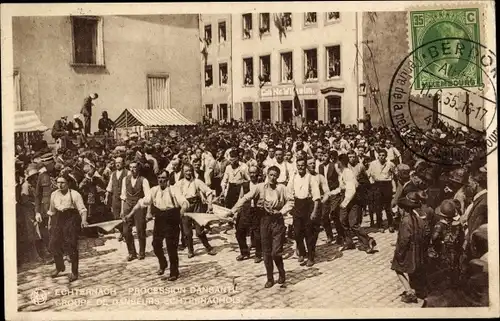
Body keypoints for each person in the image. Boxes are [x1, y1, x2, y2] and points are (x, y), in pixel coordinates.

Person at [230, 165, 293, 288]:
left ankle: (281, 271)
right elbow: (245, 198)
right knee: (266, 253)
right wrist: (233, 210)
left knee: (276, 252)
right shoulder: (260, 187)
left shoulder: (282, 188)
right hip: (264, 221)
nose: (273, 177)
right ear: (266, 175)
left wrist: (281, 211)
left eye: (275, 175)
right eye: (271, 175)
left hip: (278, 222)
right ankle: (270, 278)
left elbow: (291, 201)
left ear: (278, 177)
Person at [128, 170, 188, 281]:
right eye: (159, 178)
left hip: (172, 217)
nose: (161, 180)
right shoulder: (154, 190)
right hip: (160, 218)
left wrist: (183, 209)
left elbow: (183, 201)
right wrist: (130, 215)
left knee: (171, 247)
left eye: (163, 178)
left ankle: (174, 272)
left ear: (168, 179)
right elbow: (142, 202)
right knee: (155, 244)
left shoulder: (173, 189)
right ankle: (163, 263)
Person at [329, 154, 376, 253]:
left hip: (352, 200)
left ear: (341, 163)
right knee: (342, 221)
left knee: (353, 224)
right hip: (346, 198)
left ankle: (367, 241)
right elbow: (342, 188)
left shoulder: (348, 173)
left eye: (337, 163)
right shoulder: (342, 173)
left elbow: (352, 190)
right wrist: (331, 193)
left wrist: (344, 203)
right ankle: (349, 242)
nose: (336, 165)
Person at [47, 173, 89, 282]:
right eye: (58, 182)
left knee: (71, 245)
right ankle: (59, 267)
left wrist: (84, 221)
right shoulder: (54, 195)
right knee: (53, 244)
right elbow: (52, 211)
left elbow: (82, 210)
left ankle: (74, 273)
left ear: (68, 183)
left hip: (72, 218)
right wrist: (50, 223)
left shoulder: (75, 194)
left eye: (63, 183)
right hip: (59, 219)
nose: (60, 185)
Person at [391, 192, 427, 303]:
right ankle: (417, 289)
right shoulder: (419, 219)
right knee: (414, 270)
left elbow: (404, 240)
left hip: (408, 251)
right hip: (418, 249)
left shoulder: (406, 221)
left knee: (397, 268)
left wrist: (399, 253)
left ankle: (409, 292)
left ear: (404, 209)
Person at [176, 163, 216, 258]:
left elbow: (209, 192)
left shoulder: (197, 182)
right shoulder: (179, 184)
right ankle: (190, 250)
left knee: (199, 231)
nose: (188, 173)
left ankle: (208, 247)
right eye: (186, 171)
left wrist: (210, 204)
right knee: (187, 232)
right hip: (185, 207)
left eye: (190, 170)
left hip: (197, 206)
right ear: (183, 172)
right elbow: (175, 196)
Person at [287, 157, 321, 267]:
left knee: (309, 234)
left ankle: (311, 257)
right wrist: (291, 207)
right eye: (299, 165)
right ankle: (301, 253)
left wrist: (314, 212)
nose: (300, 167)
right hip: (297, 206)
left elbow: (316, 197)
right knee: (297, 233)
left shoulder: (311, 178)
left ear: (305, 166)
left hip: (307, 206)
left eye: (302, 165)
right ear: (296, 166)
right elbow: (289, 192)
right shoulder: (293, 177)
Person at [121, 161, 151, 261]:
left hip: (139, 207)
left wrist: (148, 212)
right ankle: (131, 253)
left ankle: (142, 252)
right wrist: (122, 209)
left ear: (138, 169)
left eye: (134, 167)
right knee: (125, 231)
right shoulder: (125, 179)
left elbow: (148, 197)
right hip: (127, 205)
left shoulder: (144, 180)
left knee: (140, 230)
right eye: (130, 167)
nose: (132, 170)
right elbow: (123, 196)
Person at [234, 165, 263, 262]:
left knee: (257, 234)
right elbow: (241, 198)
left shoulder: (262, 184)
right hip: (246, 211)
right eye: (251, 173)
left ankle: (258, 254)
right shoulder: (245, 185)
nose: (252, 175)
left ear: (258, 173)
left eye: (254, 172)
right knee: (239, 233)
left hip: (257, 212)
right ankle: (244, 252)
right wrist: (236, 211)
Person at [367, 148, 397, 232]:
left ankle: (391, 224)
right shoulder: (373, 164)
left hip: (387, 185)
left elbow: (395, 174)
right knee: (378, 206)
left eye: (383, 155)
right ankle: (380, 225)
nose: (381, 157)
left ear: (386, 156)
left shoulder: (390, 164)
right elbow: (368, 174)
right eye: (380, 155)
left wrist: (394, 187)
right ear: (377, 156)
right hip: (377, 185)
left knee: (388, 206)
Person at [105, 157, 129, 240]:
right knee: (116, 217)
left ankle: (126, 234)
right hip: (115, 198)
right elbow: (109, 186)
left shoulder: (128, 173)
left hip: (125, 198)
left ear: (123, 163)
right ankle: (122, 231)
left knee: (124, 216)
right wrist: (107, 196)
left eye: (119, 162)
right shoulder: (113, 174)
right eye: (116, 163)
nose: (117, 164)